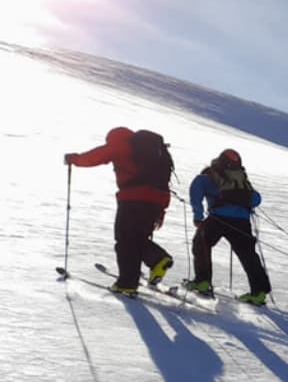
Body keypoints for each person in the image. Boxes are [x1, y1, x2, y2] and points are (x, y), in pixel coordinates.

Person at [63, 127, 174, 295]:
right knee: (136, 238)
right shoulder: (153, 152)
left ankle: (128, 282)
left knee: (125, 240)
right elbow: (163, 184)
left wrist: (74, 159)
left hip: (133, 199)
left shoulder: (122, 145)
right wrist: (160, 212)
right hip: (156, 201)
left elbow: (97, 156)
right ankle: (155, 260)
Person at [183, 149, 272, 305]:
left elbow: (195, 192)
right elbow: (256, 199)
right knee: (248, 254)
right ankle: (259, 293)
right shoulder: (240, 180)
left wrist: (198, 216)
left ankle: (202, 282)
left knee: (201, 243)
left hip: (218, 218)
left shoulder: (207, 177)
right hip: (242, 222)